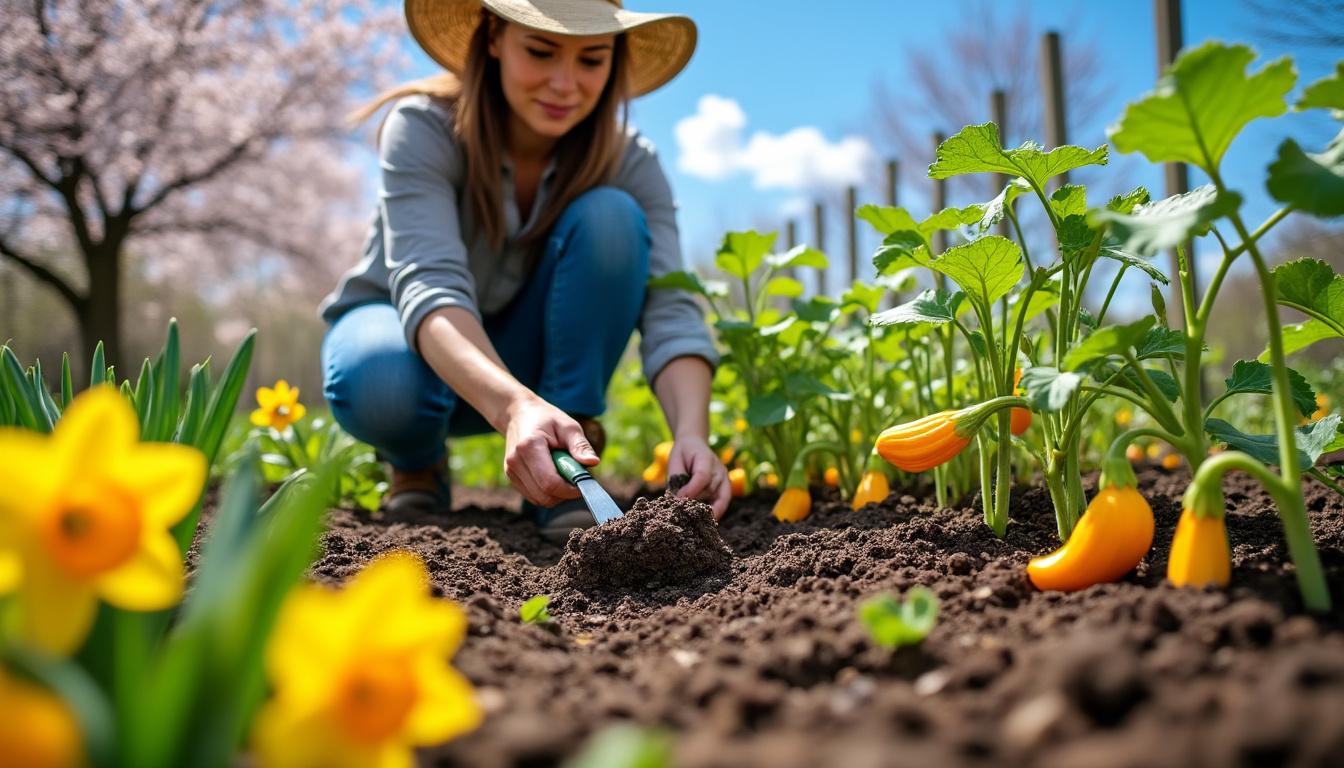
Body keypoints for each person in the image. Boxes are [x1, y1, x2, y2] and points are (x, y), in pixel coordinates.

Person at [318, 0, 728, 540]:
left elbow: (670, 307)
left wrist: (692, 434)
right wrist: (513, 406)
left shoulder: (629, 163)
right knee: (379, 377)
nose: (564, 84)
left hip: (535, 360)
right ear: (494, 38)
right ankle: (417, 463)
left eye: (591, 59)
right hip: (418, 351)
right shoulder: (423, 128)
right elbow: (431, 285)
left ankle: (567, 460)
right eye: (540, 51)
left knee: (612, 219)